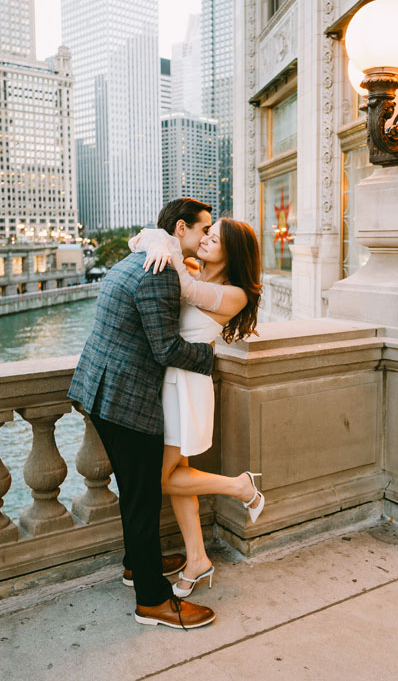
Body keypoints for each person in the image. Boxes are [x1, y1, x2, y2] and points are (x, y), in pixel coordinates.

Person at [68, 198, 219, 630]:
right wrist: (208, 355)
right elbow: (166, 349)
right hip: (124, 399)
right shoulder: (159, 272)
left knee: (135, 492)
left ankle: (138, 563)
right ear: (181, 229)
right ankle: (153, 600)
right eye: (203, 229)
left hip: (102, 389)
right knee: (142, 498)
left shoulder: (142, 254)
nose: (207, 236)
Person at [130, 216, 263, 598]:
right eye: (206, 233)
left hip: (186, 387)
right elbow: (137, 238)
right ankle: (197, 559)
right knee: (178, 477)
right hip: (170, 382)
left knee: (161, 479)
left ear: (232, 251)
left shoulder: (234, 293)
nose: (204, 240)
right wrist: (156, 241)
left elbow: (184, 289)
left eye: (214, 238)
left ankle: (240, 487)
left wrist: (166, 247)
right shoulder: (194, 269)